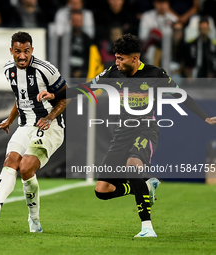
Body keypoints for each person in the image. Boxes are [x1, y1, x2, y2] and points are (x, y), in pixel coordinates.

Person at [37, 33, 216, 237]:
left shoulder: (155, 74)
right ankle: (144, 186)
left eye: (121, 58)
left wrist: (205, 118)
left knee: (133, 167)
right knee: (102, 191)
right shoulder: (113, 72)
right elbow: (85, 88)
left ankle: (147, 227)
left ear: (135, 58)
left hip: (146, 130)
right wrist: (55, 95)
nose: (117, 61)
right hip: (122, 133)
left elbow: (182, 96)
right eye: (116, 57)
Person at [0, 31, 69, 233]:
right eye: (18, 51)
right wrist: (10, 120)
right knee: (11, 161)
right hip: (25, 126)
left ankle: (34, 220)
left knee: (26, 168)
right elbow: (21, 98)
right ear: (11, 51)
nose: (22, 56)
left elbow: (66, 95)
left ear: (32, 50)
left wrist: (50, 117)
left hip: (50, 127)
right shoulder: (9, 70)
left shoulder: (46, 69)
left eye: (26, 51)